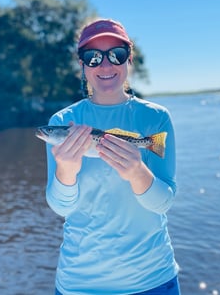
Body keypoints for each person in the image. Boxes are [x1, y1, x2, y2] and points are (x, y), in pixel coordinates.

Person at [45, 18, 181, 294]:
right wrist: (66, 171)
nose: (105, 65)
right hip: (79, 284)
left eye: (116, 55)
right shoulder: (63, 122)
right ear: (82, 65)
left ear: (129, 60)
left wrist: (137, 173)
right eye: (93, 57)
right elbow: (62, 208)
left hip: (153, 281)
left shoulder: (155, 118)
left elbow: (163, 203)